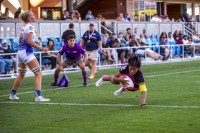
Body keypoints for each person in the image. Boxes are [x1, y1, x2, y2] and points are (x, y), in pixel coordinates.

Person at [9, 11, 50, 101]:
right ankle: (38, 96)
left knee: (21, 74)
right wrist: (41, 48)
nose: (35, 16)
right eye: (33, 15)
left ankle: (12, 94)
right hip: (27, 52)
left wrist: (35, 43)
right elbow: (29, 42)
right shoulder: (30, 27)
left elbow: (24, 41)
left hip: (20, 52)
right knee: (38, 73)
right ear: (28, 18)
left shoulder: (24, 27)